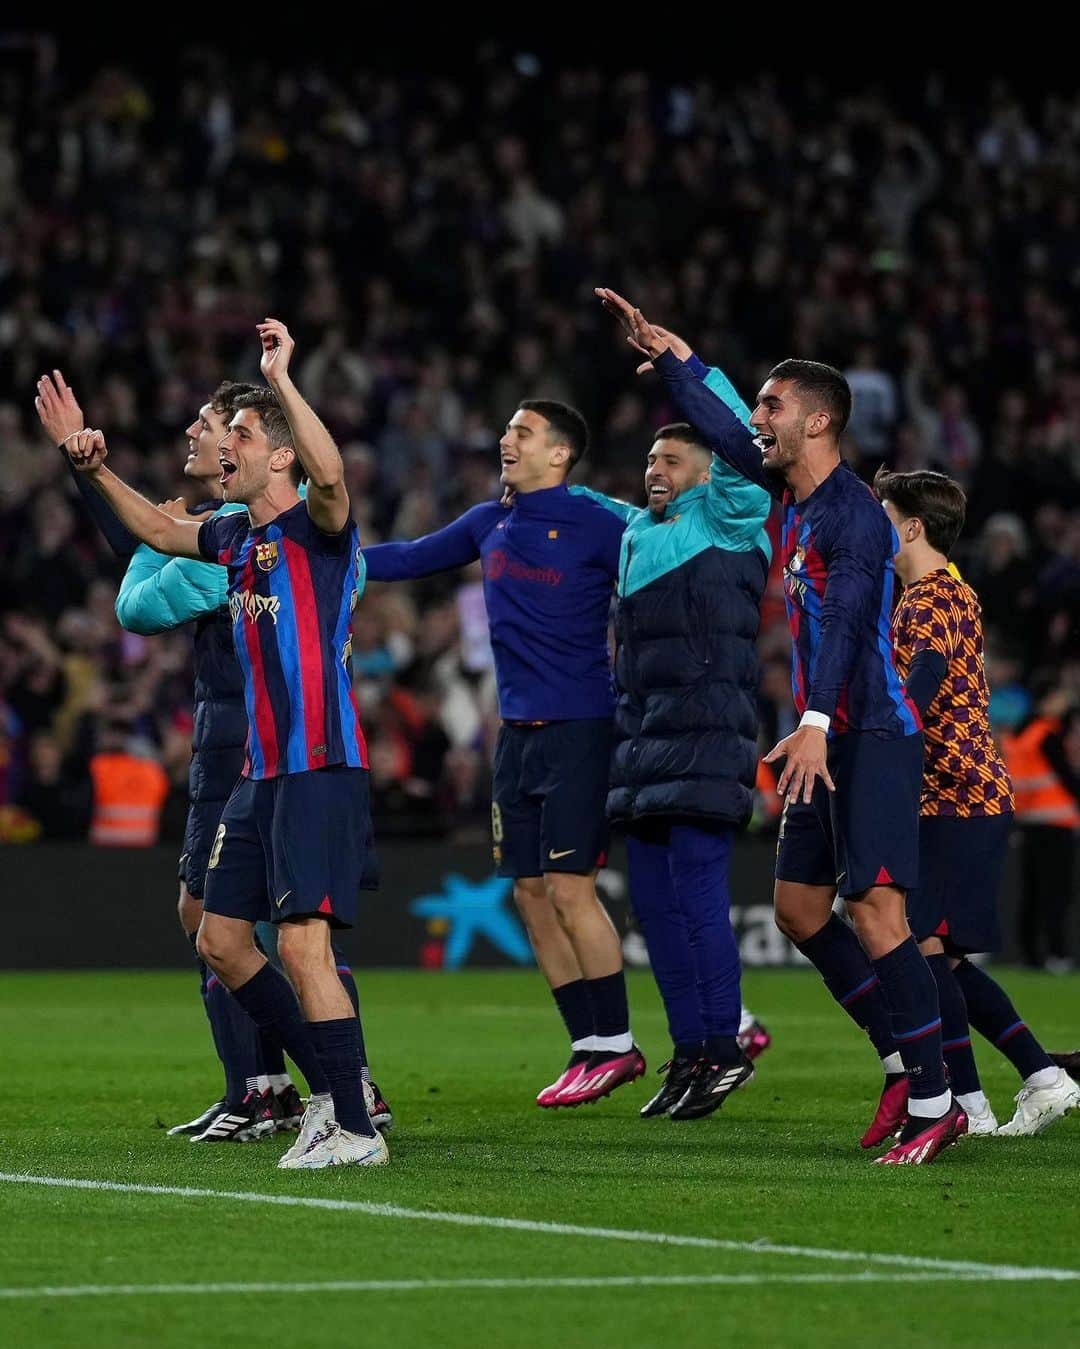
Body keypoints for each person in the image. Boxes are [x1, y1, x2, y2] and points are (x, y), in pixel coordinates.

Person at [595, 287, 962, 1165]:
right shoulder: (786, 491)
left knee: (877, 913)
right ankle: (900, 1058)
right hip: (822, 735)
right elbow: (720, 434)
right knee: (800, 911)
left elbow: (841, 628)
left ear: (822, 421)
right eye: (757, 403)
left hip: (866, 729)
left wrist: (813, 718)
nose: (757, 417)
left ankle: (939, 1096)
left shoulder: (852, 518)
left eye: (773, 405)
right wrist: (677, 356)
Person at [61, 319, 385, 1170]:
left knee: (305, 946)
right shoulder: (233, 540)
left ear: (279, 455)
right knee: (219, 937)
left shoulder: (319, 531)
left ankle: (352, 1124)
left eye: (240, 433)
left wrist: (281, 381)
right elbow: (160, 532)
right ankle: (330, 1095)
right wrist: (90, 469)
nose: (221, 442)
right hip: (260, 774)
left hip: (318, 764)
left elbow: (333, 473)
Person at [364, 400, 646, 1108]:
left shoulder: (600, 521)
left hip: (581, 726)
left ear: (560, 453)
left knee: (570, 887)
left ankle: (617, 1042)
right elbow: (406, 557)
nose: (504, 439)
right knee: (528, 891)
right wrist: (327, 562)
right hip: (515, 736)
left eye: (522, 431)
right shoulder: (489, 521)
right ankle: (586, 1045)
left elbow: (667, 569)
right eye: (506, 429)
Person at [569, 347, 773, 1119]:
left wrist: (685, 364)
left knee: (696, 897)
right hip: (644, 740)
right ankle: (690, 1051)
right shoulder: (640, 534)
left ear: (707, 468)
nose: (655, 468)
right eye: (650, 457)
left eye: (672, 457)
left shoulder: (732, 512)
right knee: (653, 911)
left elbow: (740, 442)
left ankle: (724, 1048)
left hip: (708, 735)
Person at [878, 467, 1080, 1136]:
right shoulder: (940, 591)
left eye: (885, 514)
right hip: (960, 793)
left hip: (956, 795)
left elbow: (926, 677)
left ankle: (966, 1098)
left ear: (910, 526)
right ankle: (1042, 1077)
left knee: (922, 944)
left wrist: (880, 727)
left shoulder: (929, 598)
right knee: (943, 953)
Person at [1005, 684, 1080, 973]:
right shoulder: (1046, 734)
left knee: (1032, 891)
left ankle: (1030, 953)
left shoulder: (1017, 734)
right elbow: (1067, 779)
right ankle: (1057, 953)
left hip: (1026, 821)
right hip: (1057, 822)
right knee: (1056, 893)